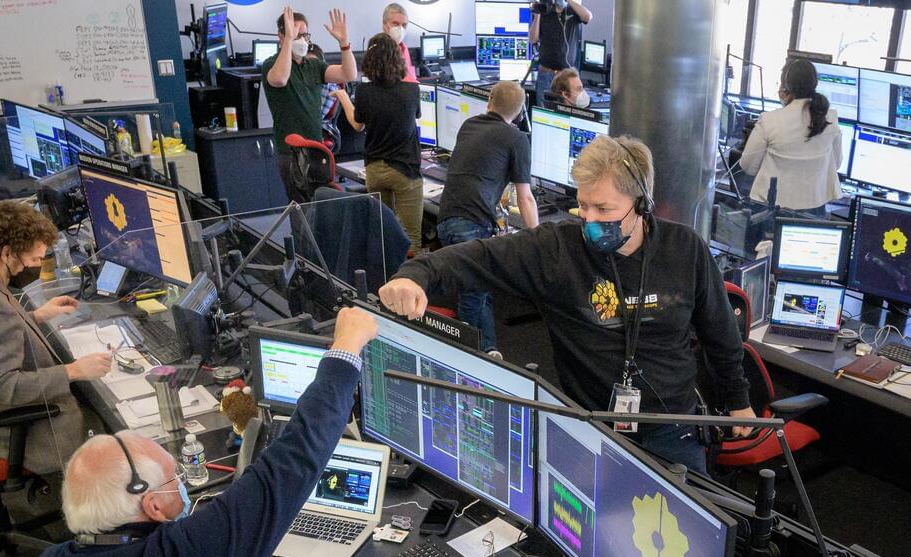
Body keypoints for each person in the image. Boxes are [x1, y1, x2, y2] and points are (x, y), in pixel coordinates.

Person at [380, 135, 754, 473]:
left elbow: (721, 333)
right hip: (589, 428)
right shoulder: (558, 249)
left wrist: (738, 399)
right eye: (583, 206)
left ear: (642, 204)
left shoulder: (685, 249)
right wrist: (416, 274)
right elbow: (480, 257)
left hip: (673, 428)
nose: (589, 220)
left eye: (603, 209)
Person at [23, 307, 378, 557]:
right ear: (152, 505)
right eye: (174, 477)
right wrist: (346, 349)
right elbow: (296, 455)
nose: (181, 484)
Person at [0, 201, 110, 474]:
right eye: (33, 259)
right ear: (6, 252)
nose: (36, 266)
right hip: (15, 433)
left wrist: (36, 316)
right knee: (112, 431)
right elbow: (2, 387)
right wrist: (74, 371)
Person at [433, 80, 539, 357]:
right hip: (471, 223)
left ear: (489, 101)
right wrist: (538, 238)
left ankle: (490, 350)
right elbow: (525, 198)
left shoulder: (469, 125)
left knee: (480, 288)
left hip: (445, 219)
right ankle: (465, 355)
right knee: (472, 295)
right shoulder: (517, 138)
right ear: (520, 112)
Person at [333, 34, 423, 252]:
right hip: (405, 170)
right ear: (397, 59)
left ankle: (386, 270)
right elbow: (415, 116)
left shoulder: (364, 91)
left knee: (383, 233)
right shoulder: (411, 90)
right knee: (411, 237)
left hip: (374, 169)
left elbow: (358, 125)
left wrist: (344, 98)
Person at [263, 6, 357, 202]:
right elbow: (280, 79)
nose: (302, 40)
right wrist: (289, 40)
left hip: (317, 148)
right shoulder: (271, 64)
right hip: (291, 153)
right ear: (281, 36)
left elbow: (348, 74)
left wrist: (344, 44)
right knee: (302, 208)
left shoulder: (313, 65)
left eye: (304, 35)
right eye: (296, 34)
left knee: (322, 205)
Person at [739, 58, 841, 216]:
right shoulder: (830, 117)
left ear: (786, 86)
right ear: (814, 83)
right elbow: (837, 163)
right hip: (814, 210)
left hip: (770, 209)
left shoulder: (770, 120)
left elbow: (748, 167)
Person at [529, 0, 593, 104]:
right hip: (546, 73)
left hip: (566, 76)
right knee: (543, 108)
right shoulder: (545, 11)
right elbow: (533, 39)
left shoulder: (573, 11)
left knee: (566, 108)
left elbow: (587, 16)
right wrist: (537, 15)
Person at [382, 3, 418, 82]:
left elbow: (409, 76)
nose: (400, 29)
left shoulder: (403, 48)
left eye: (404, 25)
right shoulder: (378, 50)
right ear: (384, 24)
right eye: (395, 24)